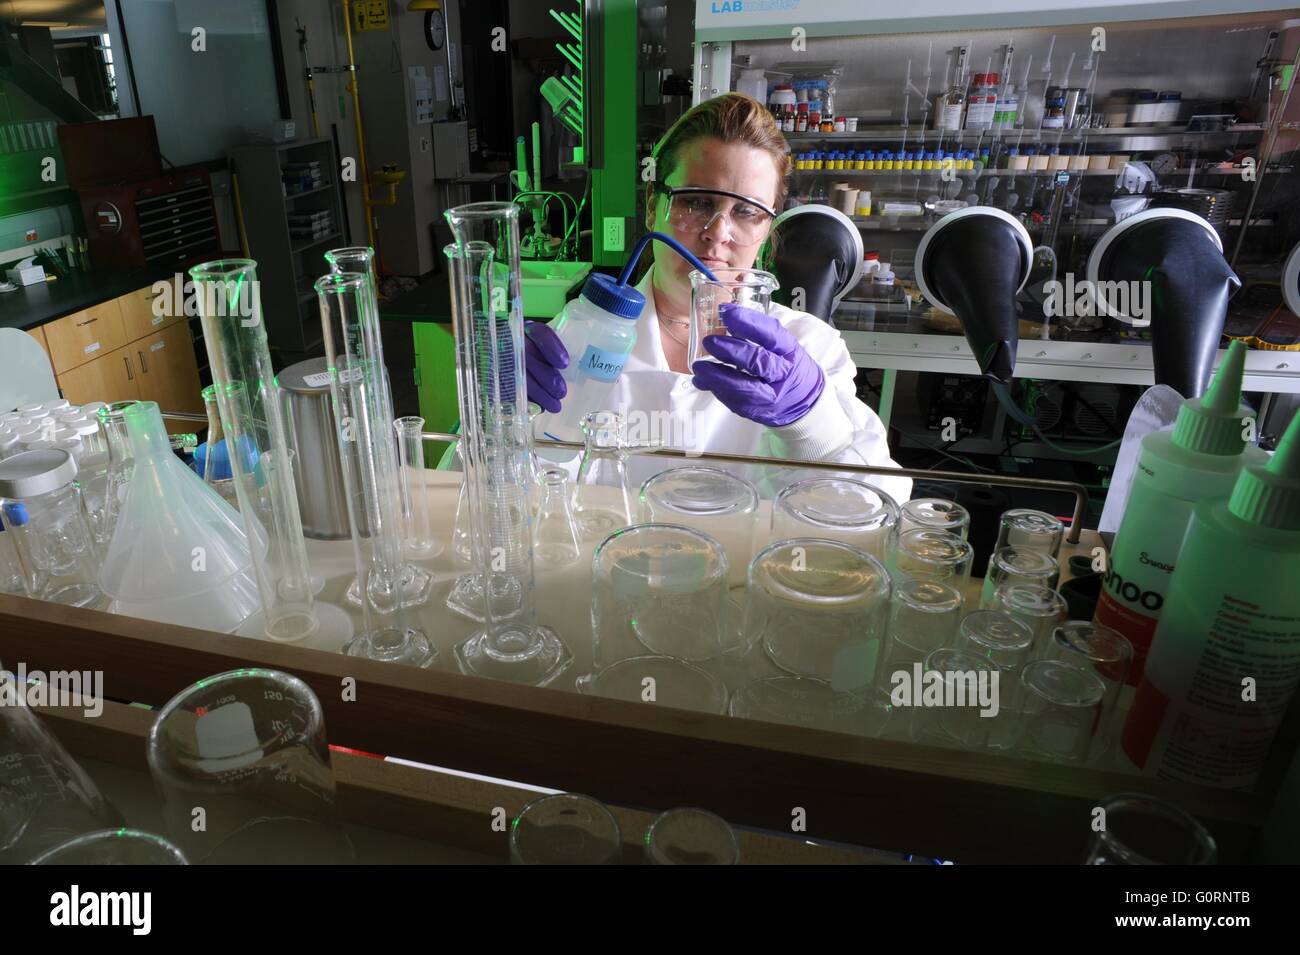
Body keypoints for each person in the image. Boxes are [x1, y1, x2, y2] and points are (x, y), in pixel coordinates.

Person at [527, 93, 911, 505]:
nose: (717, 233)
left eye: (746, 212)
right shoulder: (583, 335)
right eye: (695, 202)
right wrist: (504, 411)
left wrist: (811, 424)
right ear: (652, 208)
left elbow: (874, 517)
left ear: (766, 230)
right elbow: (482, 497)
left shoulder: (813, 348)